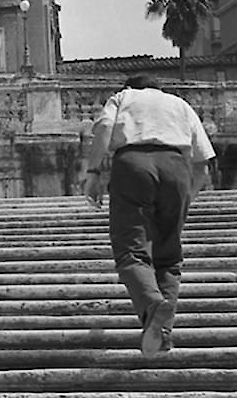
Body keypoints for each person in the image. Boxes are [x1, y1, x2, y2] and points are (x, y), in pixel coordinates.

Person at [82, 74, 214, 357]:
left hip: (134, 165)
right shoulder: (180, 104)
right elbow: (203, 163)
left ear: (131, 87)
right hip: (176, 167)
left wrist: (93, 172)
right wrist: (185, 198)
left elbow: (105, 127)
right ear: (159, 90)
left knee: (131, 250)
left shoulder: (124, 98)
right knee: (168, 256)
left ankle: (154, 305)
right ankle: (161, 333)